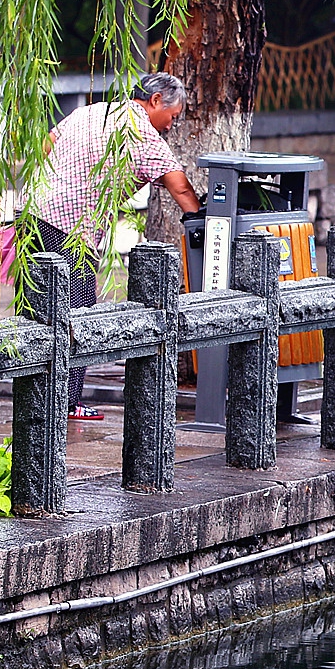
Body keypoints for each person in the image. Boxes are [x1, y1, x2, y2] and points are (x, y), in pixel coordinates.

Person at [25, 72, 204, 421]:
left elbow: (47, 143)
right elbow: (178, 186)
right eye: (173, 116)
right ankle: (67, 403)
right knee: (77, 311)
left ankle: (35, 398)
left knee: (39, 307)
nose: (170, 126)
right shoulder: (141, 132)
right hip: (70, 228)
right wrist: (198, 218)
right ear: (155, 101)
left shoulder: (92, 111)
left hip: (32, 212)